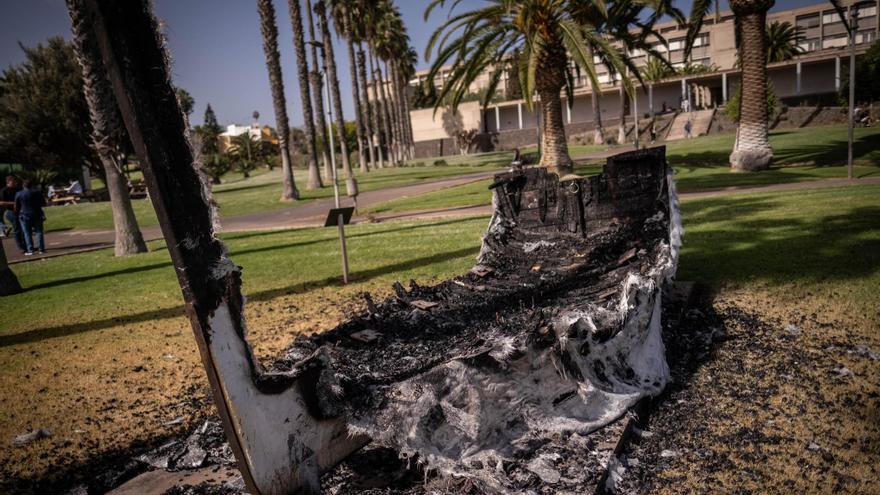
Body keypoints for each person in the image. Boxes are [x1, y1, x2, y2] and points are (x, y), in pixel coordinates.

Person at [14, 179, 46, 255]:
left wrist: (17, 214)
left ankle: (30, 250)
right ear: (32, 185)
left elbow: (16, 206)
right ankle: (41, 249)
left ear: (23, 186)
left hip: (24, 214)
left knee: (27, 233)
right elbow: (43, 203)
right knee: (39, 232)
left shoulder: (18, 194)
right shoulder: (37, 192)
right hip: (37, 214)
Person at [1, 175, 26, 252]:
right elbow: (1, 202)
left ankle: (26, 246)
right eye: (13, 181)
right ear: (9, 182)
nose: (15, 183)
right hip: (11, 212)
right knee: (17, 229)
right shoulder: (3, 191)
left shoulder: (17, 189)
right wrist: (14, 203)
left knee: (24, 229)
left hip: (20, 211)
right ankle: (20, 247)